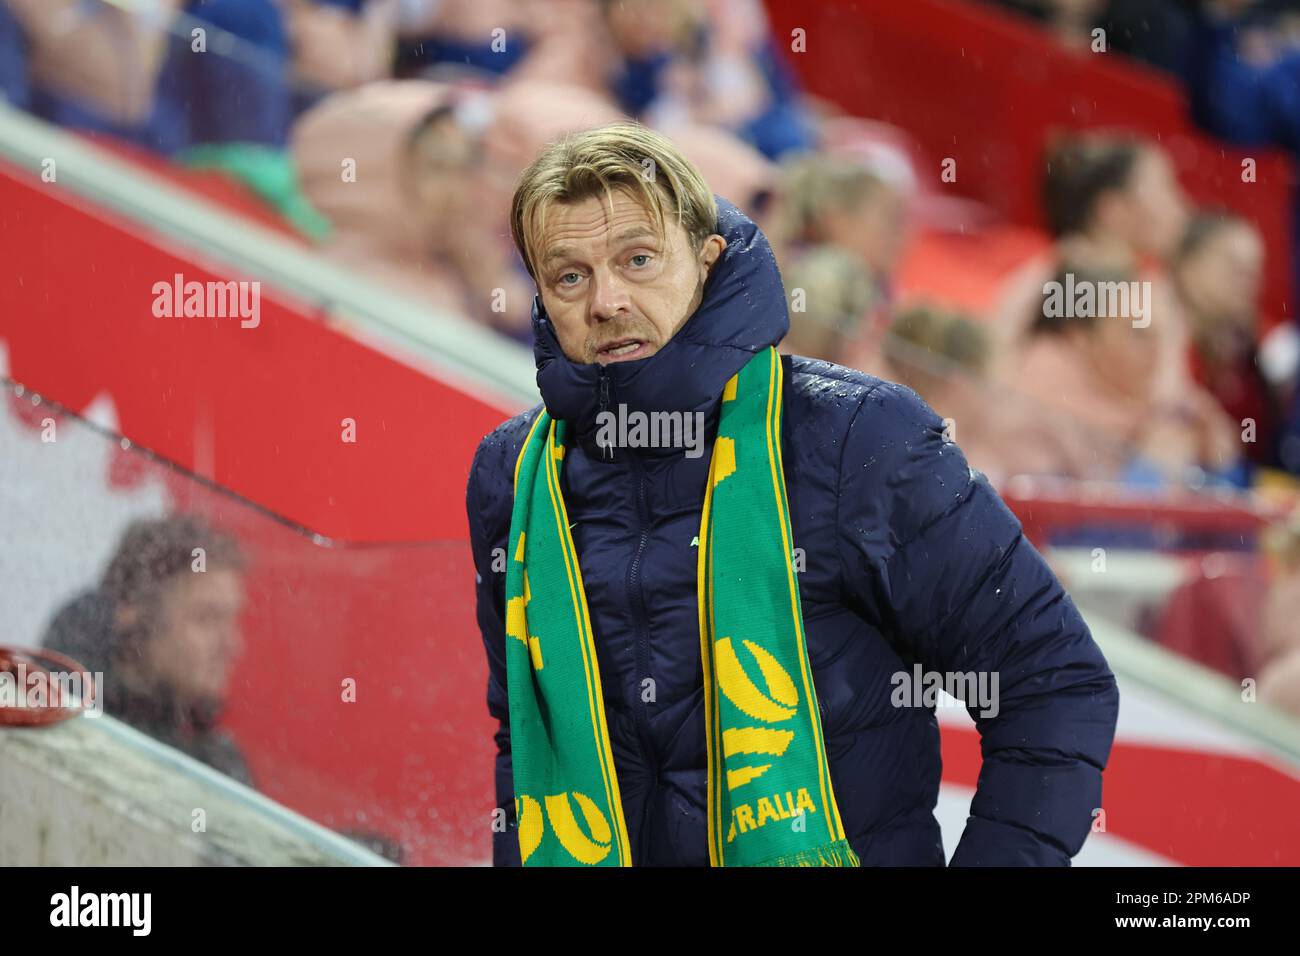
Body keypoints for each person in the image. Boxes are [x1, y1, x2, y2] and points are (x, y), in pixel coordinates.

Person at [465, 121, 1120, 866]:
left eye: (638, 259)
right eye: (570, 276)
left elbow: (1054, 682)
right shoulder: (511, 476)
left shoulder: (857, 439)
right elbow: (522, 739)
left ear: (706, 258)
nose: (607, 300)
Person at [40, 514, 253, 787]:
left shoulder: (220, 764)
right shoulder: (61, 722)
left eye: (232, 620)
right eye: (208, 618)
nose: (232, 645)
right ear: (138, 619)